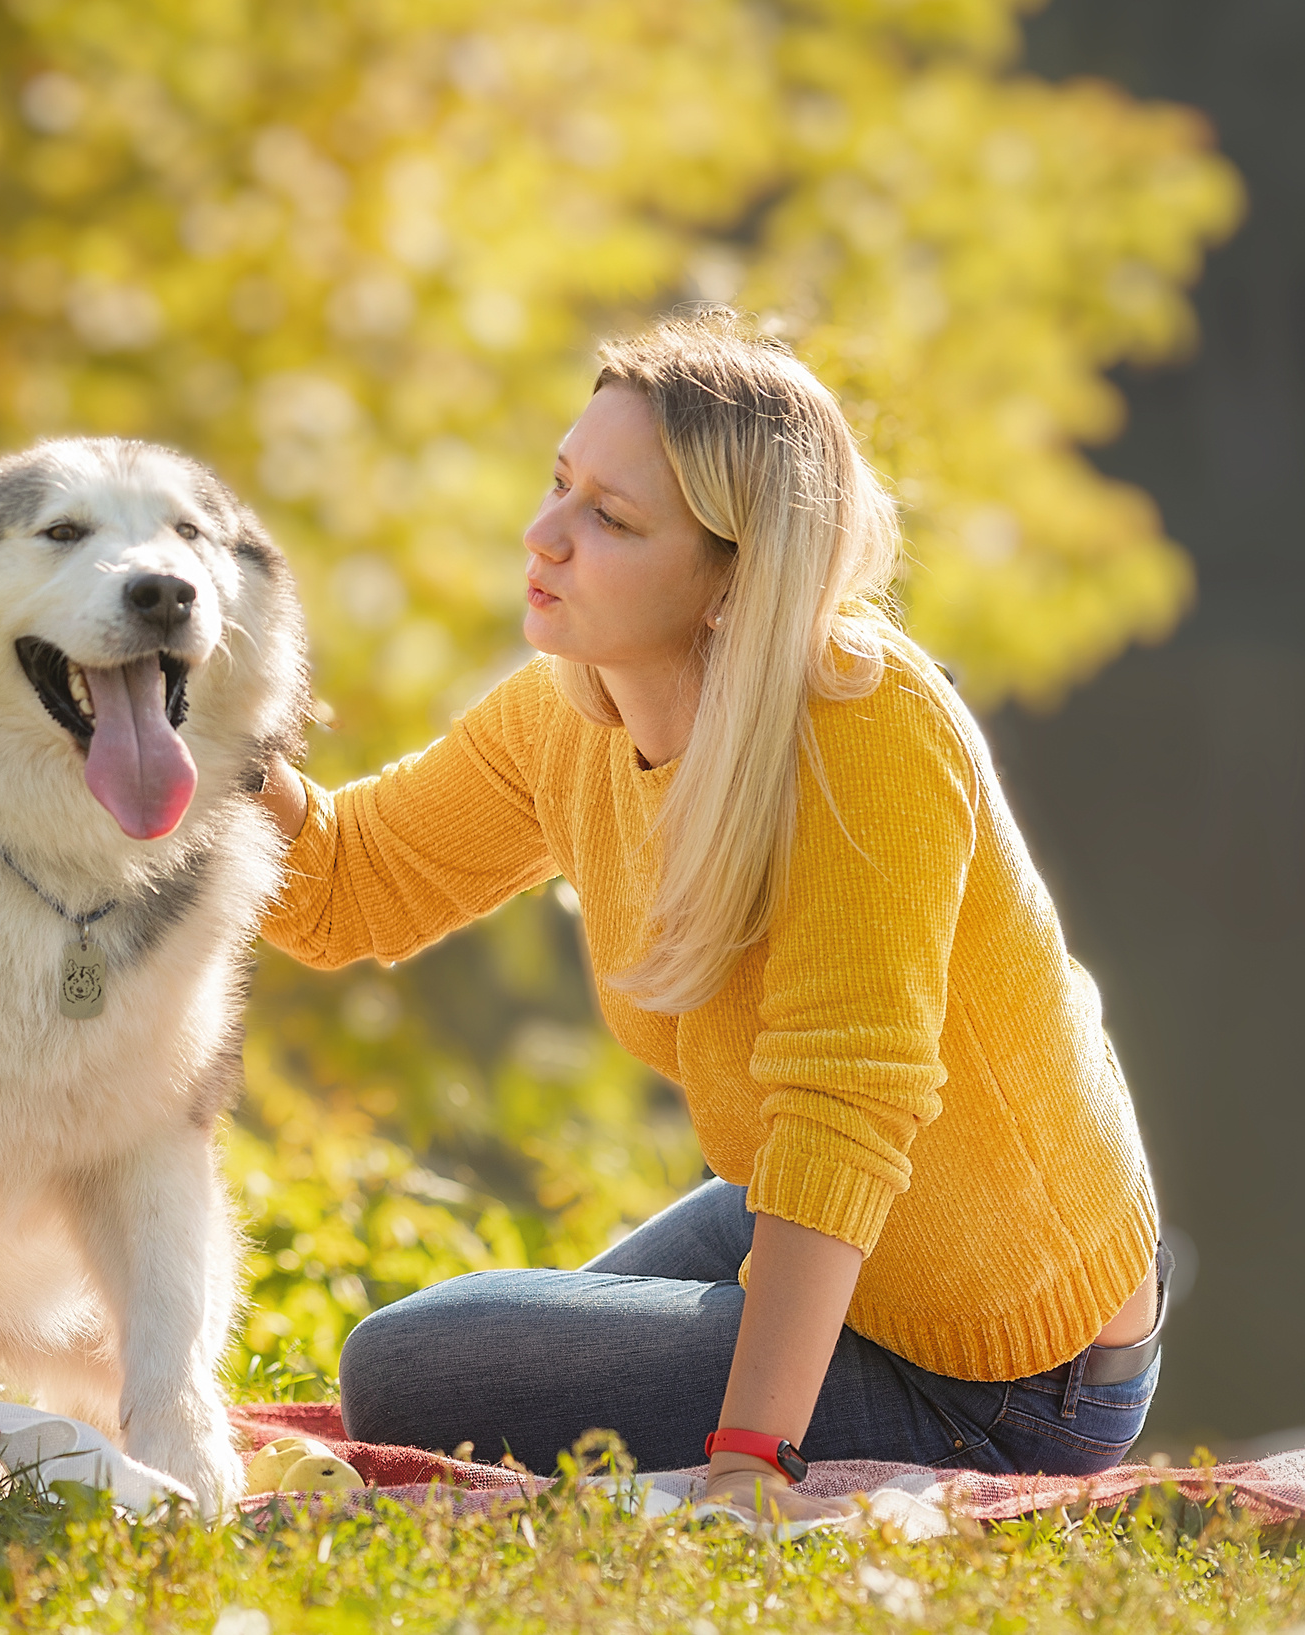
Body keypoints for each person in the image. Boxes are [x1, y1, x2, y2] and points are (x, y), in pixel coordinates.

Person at [254, 311, 1165, 1517]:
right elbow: (343, 883)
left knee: (408, 1367)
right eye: (559, 485)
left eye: (610, 520)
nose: (543, 537)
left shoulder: (863, 723)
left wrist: (748, 1460)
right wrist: (183, 732)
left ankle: (787, 1410)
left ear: (734, 578)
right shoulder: (567, 712)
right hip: (820, 1216)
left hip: (1011, 1367)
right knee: (481, 1367)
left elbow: (846, 1101)